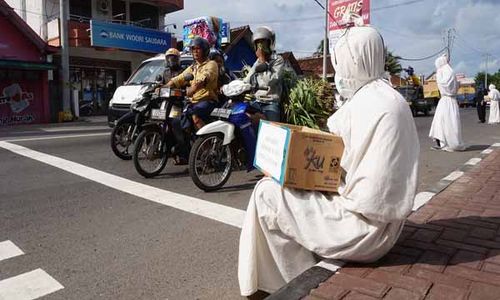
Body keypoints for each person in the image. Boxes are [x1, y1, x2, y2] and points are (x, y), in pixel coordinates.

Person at [238, 26, 419, 298]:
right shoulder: (392, 98)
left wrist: (292, 173)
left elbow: (344, 181)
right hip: (389, 230)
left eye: (342, 62)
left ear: (355, 60)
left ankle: (294, 283)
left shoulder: (363, 105)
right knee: (286, 191)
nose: (341, 73)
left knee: (267, 193)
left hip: (361, 231)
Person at [166, 37, 219, 165]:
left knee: (194, 115)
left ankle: (208, 148)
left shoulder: (211, 64)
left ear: (205, 50)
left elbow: (205, 78)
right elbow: (179, 78)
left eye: (198, 48)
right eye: (193, 49)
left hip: (207, 100)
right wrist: (163, 87)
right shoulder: (192, 67)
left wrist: (193, 88)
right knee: (174, 118)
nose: (195, 51)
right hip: (192, 101)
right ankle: (185, 149)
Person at [244, 26, 284, 122]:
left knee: (271, 129)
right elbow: (247, 79)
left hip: (270, 102)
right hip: (256, 100)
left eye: (263, 42)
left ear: (270, 43)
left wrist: (262, 61)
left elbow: (271, 81)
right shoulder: (257, 62)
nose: (260, 46)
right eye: (258, 43)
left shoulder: (277, 60)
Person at [428, 55, 466, 151]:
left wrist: (438, 75)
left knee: (443, 123)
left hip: (446, 101)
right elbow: (455, 86)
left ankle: (446, 143)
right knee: (444, 122)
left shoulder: (443, 72)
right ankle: (443, 143)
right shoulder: (450, 72)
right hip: (449, 100)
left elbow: (444, 85)